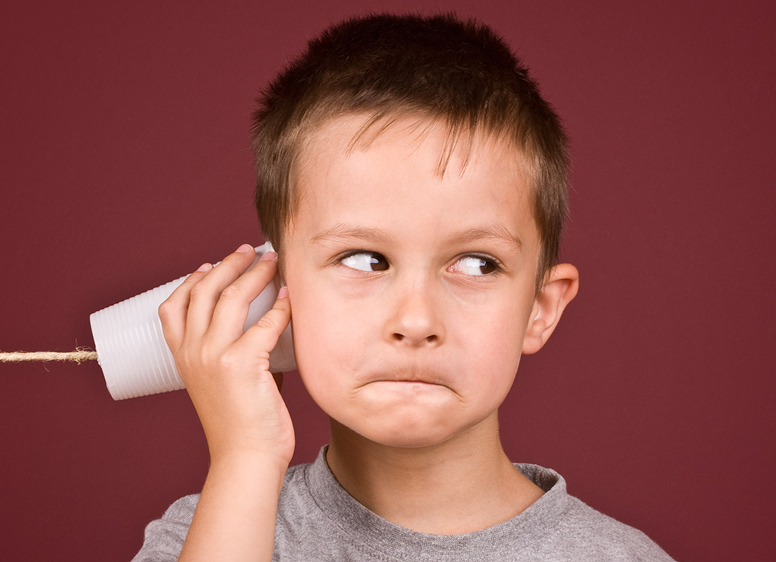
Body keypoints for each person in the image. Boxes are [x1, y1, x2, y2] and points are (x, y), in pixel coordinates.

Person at [137, 13, 674, 561]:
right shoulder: (210, 532)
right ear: (277, 294)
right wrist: (244, 455)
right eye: (365, 259)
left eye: (476, 264)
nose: (416, 322)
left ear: (539, 308)